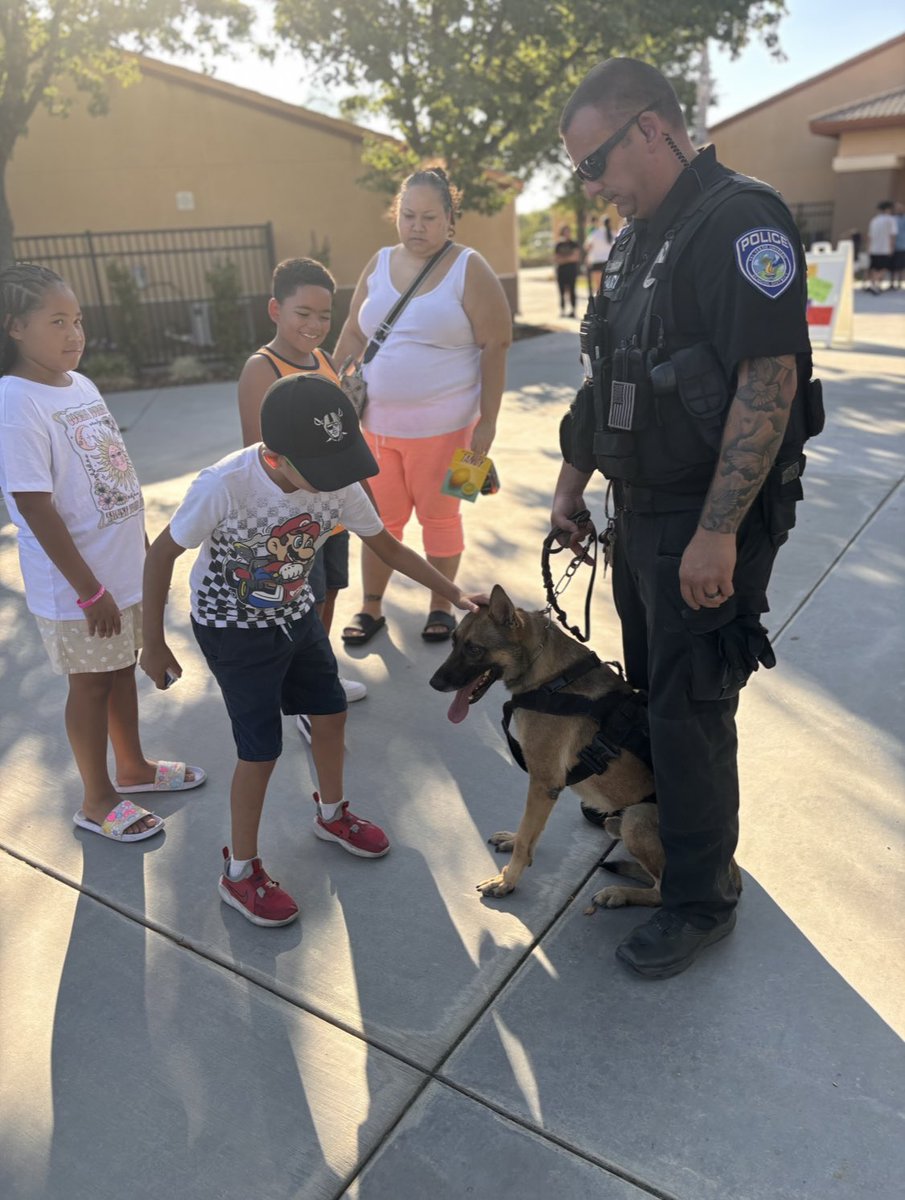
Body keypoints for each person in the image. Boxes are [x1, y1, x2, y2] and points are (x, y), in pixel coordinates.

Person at [554, 58, 819, 979]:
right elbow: (608, 374)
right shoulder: (635, 240)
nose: (591, 186)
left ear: (652, 131)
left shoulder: (740, 220)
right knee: (658, 691)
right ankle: (688, 847)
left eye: (594, 163)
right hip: (640, 509)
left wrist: (716, 530)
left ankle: (702, 895)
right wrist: (569, 480)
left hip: (708, 515)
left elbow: (768, 378)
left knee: (691, 701)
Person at [141, 374, 482, 926]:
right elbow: (161, 555)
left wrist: (456, 596)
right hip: (234, 628)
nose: (335, 485)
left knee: (330, 714)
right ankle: (241, 872)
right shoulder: (225, 485)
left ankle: (331, 814)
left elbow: (387, 546)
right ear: (275, 457)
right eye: (321, 472)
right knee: (261, 751)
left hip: (296, 616)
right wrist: (151, 642)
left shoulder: (336, 477)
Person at [0, 264, 204, 845]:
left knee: (117, 672)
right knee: (90, 684)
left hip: (117, 572)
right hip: (77, 586)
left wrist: (138, 562)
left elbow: (114, 477)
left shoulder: (79, 384)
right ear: (14, 327)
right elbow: (35, 506)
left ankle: (133, 769)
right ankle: (96, 799)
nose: (75, 333)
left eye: (79, 320)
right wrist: (89, 591)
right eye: (57, 322)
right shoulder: (16, 401)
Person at [333, 166, 511, 646]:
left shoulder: (468, 267)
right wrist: (331, 389)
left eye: (429, 217)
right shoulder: (379, 262)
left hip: (449, 430)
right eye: (408, 215)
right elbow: (353, 330)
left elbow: (496, 344)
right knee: (379, 523)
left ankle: (441, 605)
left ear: (450, 218)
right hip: (374, 429)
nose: (417, 226)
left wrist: (488, 423)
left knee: (441, 520)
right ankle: (371, 607)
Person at [237, 255, 366, 744]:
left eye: (324, 315)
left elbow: (342, 438)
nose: (314, 325)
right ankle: (306, 699)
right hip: (293, 522)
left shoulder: (326, 361)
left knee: (329, 595)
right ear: (275, 309)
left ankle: (320, 676)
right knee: (299, 606)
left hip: (332, 515)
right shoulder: (261, 368)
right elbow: (259, 455)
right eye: (302, 313)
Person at [865, 201, 897, 294]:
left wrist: (868, 247)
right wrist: (892, 247)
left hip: (874, 248)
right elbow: (892, 235)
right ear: (887, 209)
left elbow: (870, 235)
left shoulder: (874, 220)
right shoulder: (891, 220)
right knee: (883, 267)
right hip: (885, 248)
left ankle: (873, 284)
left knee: (874, 267)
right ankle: (876, 285)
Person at [553, 223, 581, 317]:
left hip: (571, 271)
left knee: (572, 290)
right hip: (561, 271)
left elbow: (576, 258)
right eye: (565, 232)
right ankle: (562, 310)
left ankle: (573, 310)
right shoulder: (558, 245)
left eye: (568, 231)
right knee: (561, 292)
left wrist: (564, 259)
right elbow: (556, 259)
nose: (567, 233)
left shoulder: (574, 244)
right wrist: (569, 258)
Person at [584, 215, 615, 296]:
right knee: (607, 288)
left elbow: (587, 246)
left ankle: (598, 306)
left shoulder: (595, 233)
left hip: (596, 262)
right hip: (609, 263)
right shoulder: (613, 234)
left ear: (601, 223)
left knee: (598, 289)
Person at [892, 202, 905, 290]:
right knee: (893, 266)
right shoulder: (892, 219)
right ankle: (892, 283)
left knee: (901, 266)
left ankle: (900, 283)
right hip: (893, 246)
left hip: (903, 245)